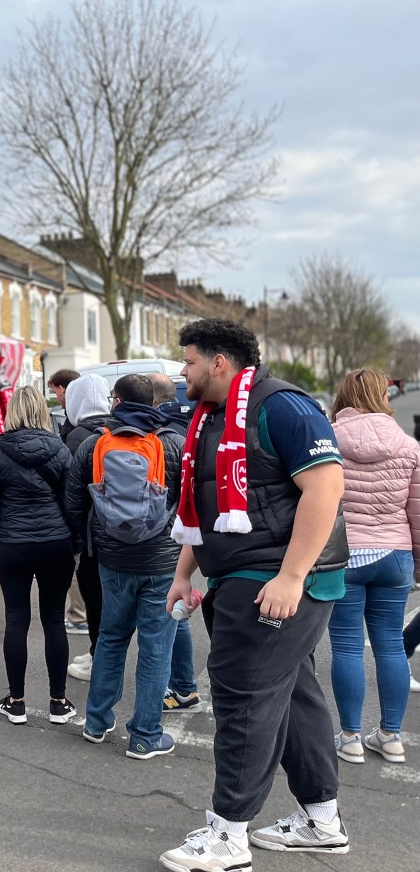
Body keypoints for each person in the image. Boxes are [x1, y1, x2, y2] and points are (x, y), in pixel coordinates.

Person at [161, 320, 349, 872]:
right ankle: (322, 821)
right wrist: (183, 574)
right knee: (293, 698)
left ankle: (227, 837)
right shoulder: (209, 419)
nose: (182, 371)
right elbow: (207, 506)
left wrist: (291, 577)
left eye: (190, 361)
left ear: (220, 362)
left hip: (278, 580)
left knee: (243, 698)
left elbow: (326, 487)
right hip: (243, 577)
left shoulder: (282, 407)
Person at [65, 374, 184, 759]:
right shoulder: (172, 445)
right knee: (155, 647)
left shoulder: (94, 444)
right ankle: (146, 735)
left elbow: (73, 502)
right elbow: (190, 502)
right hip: (162, 562)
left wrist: (86, 543)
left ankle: (96, 722)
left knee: (112, 638)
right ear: (155, 403)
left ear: (115, 401)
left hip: (112, 560)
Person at [328, 368, 420, 764]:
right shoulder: (409, 446)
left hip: (345, 554)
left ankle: (349, 738)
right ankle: (391, 736)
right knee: (390, 645)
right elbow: (416, 513)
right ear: (382, 397)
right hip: (394, 555)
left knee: (347, 645)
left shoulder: (328, 438)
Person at [0, 385, 77, 726]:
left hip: (13, 544)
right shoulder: (60, 449)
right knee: (53, 619)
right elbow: (72, 503)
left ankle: (16, 702)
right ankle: (58, 702)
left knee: (16, 620)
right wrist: (75, 545)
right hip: (55, 543)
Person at [152, 374, 203, 713]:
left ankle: (181, 686)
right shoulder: (191, 429)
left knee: (168, 611)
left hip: (159, 540)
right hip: (180, 534)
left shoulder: (157, 437)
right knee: (176, 610)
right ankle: (185, 686)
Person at [62, 374, 114, 681]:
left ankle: (99, 657)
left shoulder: (76, 437)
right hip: (128, 531)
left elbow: (71, 493)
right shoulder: (120, 426)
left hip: (92, 534)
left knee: (95, 599)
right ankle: (104, 653)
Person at [47, 368, 80, 444]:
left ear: (62, 389)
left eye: (55, 392)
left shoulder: (75, 421)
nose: (57, 398)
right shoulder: (77, 415)